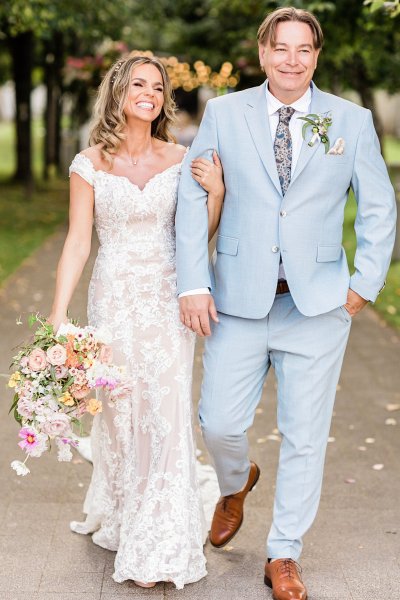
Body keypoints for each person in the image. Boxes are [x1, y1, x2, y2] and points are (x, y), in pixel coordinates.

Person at [176, 7, 396, 600]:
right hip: (238, 299)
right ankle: (233, 482)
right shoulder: (224, 113)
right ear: (263, 52)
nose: (292, 60)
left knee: (305, 434)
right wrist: (193, 282)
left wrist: (361, 288)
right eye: (281, 48)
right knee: (219, 422)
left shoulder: (350, 120)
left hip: (319, 305)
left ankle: (284, 554)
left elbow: (379, 206)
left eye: (304, 49)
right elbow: (195, 196)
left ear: (316, 57)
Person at [48, 55, 225, 589]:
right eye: (137, 85)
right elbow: (79, 241)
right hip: (115, 301)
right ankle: (129, 515)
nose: (147, 93)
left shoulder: (183, 157)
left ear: (163, 98)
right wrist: (59, 314)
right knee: (123, 416)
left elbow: (198, 236)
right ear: (118, 93)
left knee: (166, 413)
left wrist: (214, 192)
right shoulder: (90, 164)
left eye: (156, 86)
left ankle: (161, 539)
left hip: (169, 301)